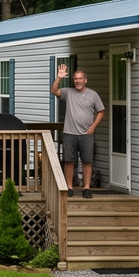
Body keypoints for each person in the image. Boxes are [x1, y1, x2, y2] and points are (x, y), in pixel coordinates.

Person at [51, 62, 105, 199]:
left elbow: (101, 111)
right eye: (76, 79)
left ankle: (86, 188)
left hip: (86, 134)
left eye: (80, 78)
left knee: (87, 161)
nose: (78, 81)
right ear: (73, 80)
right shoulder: (68, 92)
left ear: (85, 80)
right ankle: (69, 187)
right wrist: (59, 78)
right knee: (69, 161)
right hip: (69, 133)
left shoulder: (93, 95)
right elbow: (54, 91)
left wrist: (93, 126)